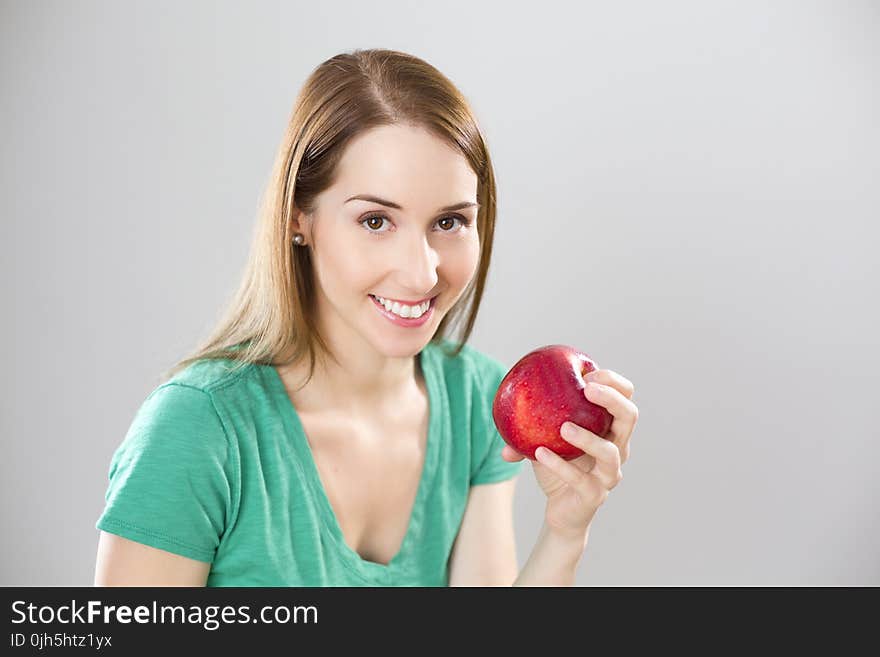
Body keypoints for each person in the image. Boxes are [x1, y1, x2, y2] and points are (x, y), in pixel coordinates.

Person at [93, 48, 639, 587]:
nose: (422, 273)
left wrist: (566, 530)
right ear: (298, 220)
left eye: (449, 222)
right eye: (376, 221)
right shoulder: (197, 429)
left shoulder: (477, 400)